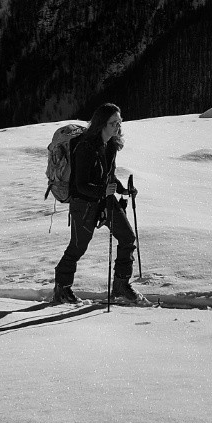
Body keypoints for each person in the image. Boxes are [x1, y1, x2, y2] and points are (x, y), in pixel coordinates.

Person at [50, 102, 140, 305]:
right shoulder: (85, 147)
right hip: (83, 204)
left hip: (104, 200)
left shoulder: (111, 145)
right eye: (113, 123)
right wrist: (102, 191)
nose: (117, 127)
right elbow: (80, 185)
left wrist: (123, 190)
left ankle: (121, 285)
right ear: (101, 124)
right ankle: (62, 288)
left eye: (119, 122)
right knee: (78, 247)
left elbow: (109, 175)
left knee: (127, 237)